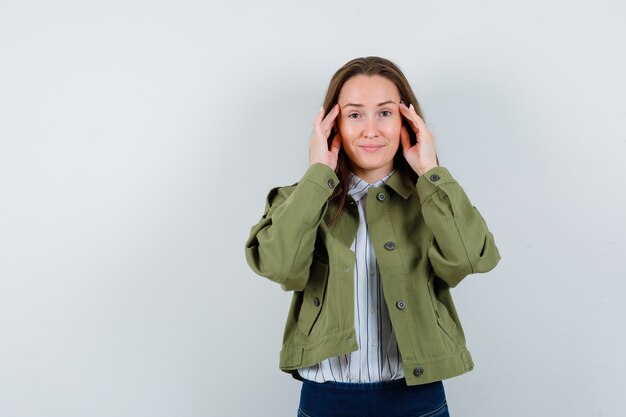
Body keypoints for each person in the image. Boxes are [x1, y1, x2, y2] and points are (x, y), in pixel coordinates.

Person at [245, 56, 500, 417]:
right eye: (354, 114)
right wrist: (318, 174)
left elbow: (473, 258)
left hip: (416, 398)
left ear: (406, 121)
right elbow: (278, 266)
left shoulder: (431, 199)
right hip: (326, 400)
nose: (371, 130)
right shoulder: (300, 200)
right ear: (331, 125)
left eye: (384, 113)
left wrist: (430, 171)